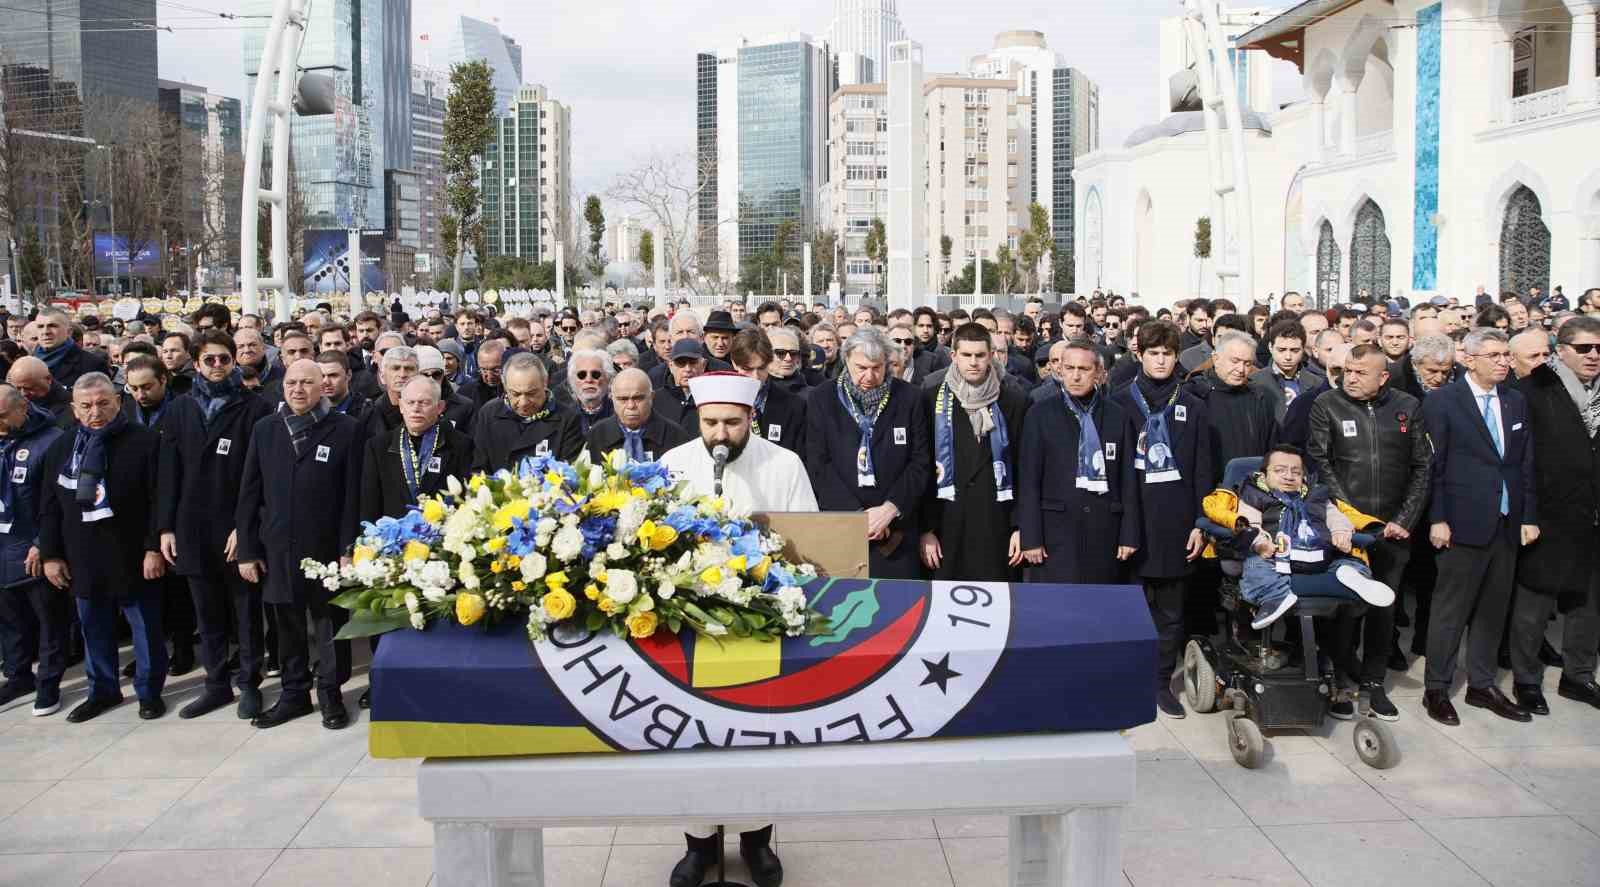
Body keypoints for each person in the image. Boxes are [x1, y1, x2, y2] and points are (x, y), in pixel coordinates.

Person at [660, 371, 816, 887]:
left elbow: (809, 538)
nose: (721, 434)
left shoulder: (784, 463)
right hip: (690, 621)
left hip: (760, 620)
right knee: (692, 733)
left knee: (758, 731)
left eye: (732, 422)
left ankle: (756, 841)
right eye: (711, 423)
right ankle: (699, 845)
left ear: (752, 418)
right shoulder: (674, 463)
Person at [235, 359, 364, 730]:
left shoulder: (346, 429)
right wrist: (247, 549)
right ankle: (293, 695)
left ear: (322, 386)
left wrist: (347, 548)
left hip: (325, 550)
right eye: (291, 383)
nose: (297, 390)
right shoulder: (266, 430)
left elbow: (351, 497)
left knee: (329, 627)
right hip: (277, 549)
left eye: (306, 383)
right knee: (287, 626)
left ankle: (330, 694)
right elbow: (249, 494)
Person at [1306, 344, 1432, 720]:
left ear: (1384, 377)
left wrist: (1405, 520)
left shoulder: (1407, 406)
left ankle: (1373, 683)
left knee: (1384, 609)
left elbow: (1422, 467)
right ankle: (1339, 676)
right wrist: (1353, 519)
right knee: (1344, 607)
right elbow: (1320, 462)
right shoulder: (1327, 404)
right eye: (1348, 370)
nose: (1351, 377)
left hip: (1393, 529)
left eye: (1361, 372)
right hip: (1348, 529)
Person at [1420, 329, 1539, 726]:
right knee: (1451, 609)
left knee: (1493, 608)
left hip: (1506, 522)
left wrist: (1528, 516)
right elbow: (1432, 467)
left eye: (1506, 354)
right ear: (1468, 360)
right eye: (1493, 355)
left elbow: (1524, 464)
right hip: (1460, 520)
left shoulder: (1515, 400)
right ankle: (1436, 687)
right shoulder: (1442, 402)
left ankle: (1482, 684)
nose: (1503, 362)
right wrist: (1437, 517)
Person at [156, 330, 275, 720]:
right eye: (211, 360)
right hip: (191, 527)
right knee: (206, 614)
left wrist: (244, 528)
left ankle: (249, 684)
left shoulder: (254, 407)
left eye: (226, 359)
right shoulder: (180, 409)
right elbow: (168, 473)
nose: (219, 366)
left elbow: (258, 476)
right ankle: (216, 683)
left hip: (235, 526)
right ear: (196, 362)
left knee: (245, 611)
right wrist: (166, 527)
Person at [38, 373, 166, 722]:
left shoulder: (145, 441)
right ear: (75, 409)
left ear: (118, 402)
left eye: (103, 403)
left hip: (133, 553)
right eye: (87, 406)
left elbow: (160, 499)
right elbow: (49, 506)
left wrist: (153, 547)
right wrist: (50, 555)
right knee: (93, 628)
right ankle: (103, 691)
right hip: (82, 553)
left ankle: (149, 692)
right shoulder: (63, 447)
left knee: (145, 629)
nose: (96, 411)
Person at [1112, 320, 1213, 718]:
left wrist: (1199, 524)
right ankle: (1129, 675)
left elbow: (1204, 470)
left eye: (1167, 354)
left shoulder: (1193, 405)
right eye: (1152, 353)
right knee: (1132, 605)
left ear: (1176, 357)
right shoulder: (1120, 403)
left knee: (1171, 612)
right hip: (1133, 520)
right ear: (1140, 354)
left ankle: (1160, 681)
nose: (1159, 360)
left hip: (1176, 520)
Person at [1508, 315, 1600, 713]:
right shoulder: (1531, 390)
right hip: (1548, 513)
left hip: (1593, 514)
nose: (1593, 355)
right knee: (1534, 605)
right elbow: (1519, 459)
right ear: (1561, 351)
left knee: (1588, 604)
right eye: (1584, 348)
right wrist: (1527, 514)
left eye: (1598, 348)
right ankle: (1527, 680)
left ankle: (1578, 676)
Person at [805, 327, 932, 580]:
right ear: (846, 361)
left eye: (877, 368)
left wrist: (889, 510)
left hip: (896, 530)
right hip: (842, 525)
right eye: (861, 368)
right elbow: (819, 463)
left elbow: (920, 462)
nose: (870, 376)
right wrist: (858, 518)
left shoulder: (910, 399)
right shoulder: (822, 398)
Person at [1016, 338, 1140, 583]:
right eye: (1069, 368)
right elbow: (1028, 480)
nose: (1075, 376)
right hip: (1054, 535)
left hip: (1105, 532)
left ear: (1099, 374)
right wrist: (1030, 537)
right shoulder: (1039, 414)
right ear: (1059, 370)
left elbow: (1128, 480)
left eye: (1083, 369)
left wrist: (1129, 534)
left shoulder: (1117, 416)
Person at [1233, 444, 1395, 629]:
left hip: (1320, 553)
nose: (1288, 476)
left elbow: (1336, 517)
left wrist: (1340, 533)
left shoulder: (1316, 495)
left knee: (1350, 560)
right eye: (1280, 470)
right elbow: (1249, 523)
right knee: (1255, 566)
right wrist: (1260, 542)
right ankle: (1276, 597)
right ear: (1264, 475)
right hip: (1275, 556)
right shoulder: (1254, 495)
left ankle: (1353, 577)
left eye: (1296, 471)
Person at [919, 321, 1027, 582]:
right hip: (948, 525)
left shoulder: (1015, 401)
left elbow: (1025, 468)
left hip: (996, 524)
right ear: (953, 356)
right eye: (966, 355)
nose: (974, 362)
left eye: (980, 355)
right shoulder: (930, 398)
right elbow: (920, 466)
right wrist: (925, 529)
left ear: (991, 355)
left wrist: (1020, 527)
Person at [122, 354, 196, 679]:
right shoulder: (126, 414)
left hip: (173, 507)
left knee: (177, 590)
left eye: (147, 387)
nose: (141, 394)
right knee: (144, 592)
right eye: (134, 388)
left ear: (163, 380)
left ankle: (183, 649)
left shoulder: (181, 411)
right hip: (136, 513)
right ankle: (149, 651)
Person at [0, 385, 69, 715]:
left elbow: (57, 500)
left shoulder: (50, 439)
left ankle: (48, 683)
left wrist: (43, 543)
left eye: (1, 416)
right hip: (3, 547)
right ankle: (18, 675)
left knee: (49, 620)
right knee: (10, 621)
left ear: (22, 408)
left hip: (33, 547)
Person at [469, 352, 584, 473]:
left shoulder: (567, 418)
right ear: (504, 386)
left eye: (531, 394)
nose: (523, 402)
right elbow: (479, 469)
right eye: (515, 394)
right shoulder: (489, 414)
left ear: (545, 383)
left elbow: (568, 474)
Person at [585, 368, 690, 463]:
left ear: (652, 397)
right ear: (611, 398)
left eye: (638, 398)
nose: (631, 406)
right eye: (623, 399)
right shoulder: (596, 436)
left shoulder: (676, 437)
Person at [729, 328, 807, 456]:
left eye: (761, 368)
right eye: (747, 369)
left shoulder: (795, 406)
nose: (755, 377)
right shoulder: (718, 402)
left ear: (769, 362)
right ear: (734, 363)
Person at [1250, 321, 1320, 422]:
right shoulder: (1254, 381)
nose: (1288, 357)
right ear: (1270, 347)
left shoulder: (1317, 383)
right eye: (1281, 350)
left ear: (1303, 349)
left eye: (1294, 350)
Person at [33, 308, 109, 388]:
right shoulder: (27, 362)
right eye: (40, 326)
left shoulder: (92, 364)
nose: (45, 332)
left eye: (52, 326)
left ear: (69, 332)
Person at [565, 348, 616, 435]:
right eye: (582, 375)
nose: (589, 380)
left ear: (608, 379)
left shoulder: (618, 414)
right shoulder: (565, 417)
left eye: (595, 374)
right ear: (573, 380)